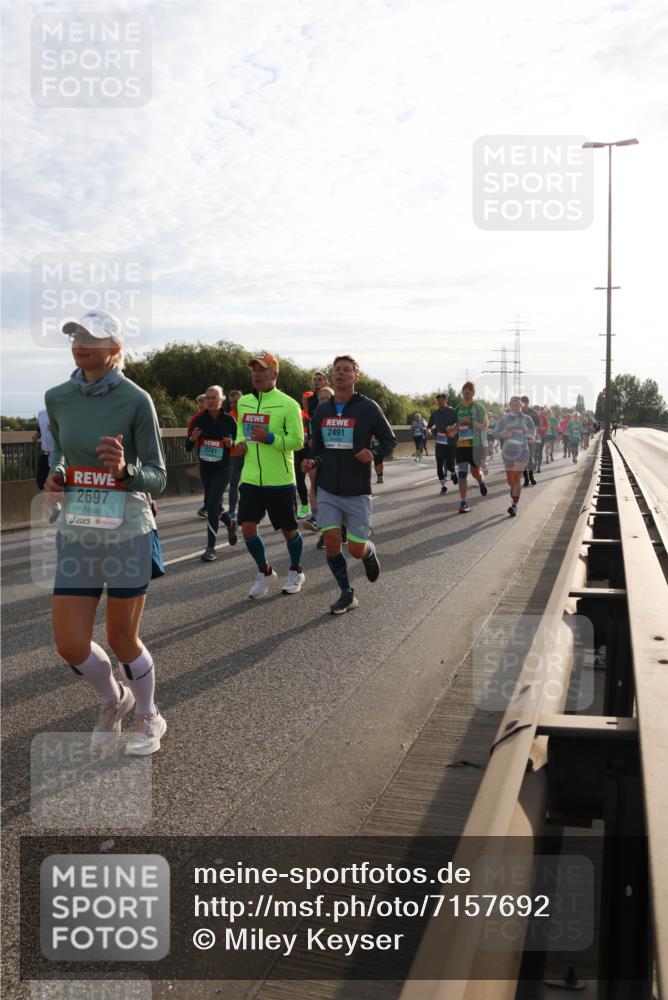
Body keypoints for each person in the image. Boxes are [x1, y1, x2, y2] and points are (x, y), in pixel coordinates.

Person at [44, 309, 167, 755]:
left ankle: (149, 715)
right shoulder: (57, 397)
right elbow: (60, 451)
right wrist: (58, 473)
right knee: (69, 643)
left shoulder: (136, 400)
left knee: (120, 638)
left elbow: (158, 475)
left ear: (115, 350)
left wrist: (125, 470)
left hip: (127, 530)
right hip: (79, 528)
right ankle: (114, 698)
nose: (80, 344)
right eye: (75, 336)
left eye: (92, 339)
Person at [303, 354, 396, 614]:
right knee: (332, 541)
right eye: (337, 369)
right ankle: (346, 592)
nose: (341, 373)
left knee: (355, 549)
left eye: (346, 370)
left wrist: (373, 453)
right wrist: (310, 461)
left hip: (357, 490)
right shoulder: (322, 411)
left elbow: (389, 440)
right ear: (332, 375)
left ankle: (368, 551)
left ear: (356, 376)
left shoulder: (368, 407)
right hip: (328, 488)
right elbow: (317, 449)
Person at [235, 352, 306, 598]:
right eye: (254, 369)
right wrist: (239, 443)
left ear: (274, 373)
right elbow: (240, 432)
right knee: (247, 529)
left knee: (289, 530)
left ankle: (296, 570)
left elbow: (298, 441)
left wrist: (270, 438)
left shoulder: (289, 404)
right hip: (251, 478)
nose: (256, 374)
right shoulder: (243, 402)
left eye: (262, 369)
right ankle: (265, 571)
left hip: (280, 479)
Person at [185, 385, 237, 561]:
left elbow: (239, 443)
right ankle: (230, 524)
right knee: (212, 504)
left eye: (214, 398)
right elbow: (187, 446)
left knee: (213, 503)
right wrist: (193, 438)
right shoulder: (198, 420)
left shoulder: (229, 420)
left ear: (221, 400)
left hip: (224, 467)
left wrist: (232, 443)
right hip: (206, 467)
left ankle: (211, 547)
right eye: (207, 398)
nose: (210, 401)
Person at [446, 381, 488, 513]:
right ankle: (463, 502)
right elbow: (458, 425)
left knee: (475, 473)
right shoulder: (458, 408)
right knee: (462, 474)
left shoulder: (479, 407)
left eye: (470, 389)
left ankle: (481, 482)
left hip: (475, 446)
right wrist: (451, 430)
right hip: (462, 445)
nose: (467, 391)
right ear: (462, 392)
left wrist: (471, 422)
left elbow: (484, 427)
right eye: (465, 389)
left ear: (473, 392)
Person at [497, 396, 536, 517]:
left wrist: (532, 437)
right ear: (510, 405)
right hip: (508, 451)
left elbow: (532, 430)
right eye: (513, 404)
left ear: (521, 406)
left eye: (518, 404)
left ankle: (514, 505)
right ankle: (513, 487)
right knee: (511, 480)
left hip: (522, 451)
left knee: (517, 476)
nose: (515, 406)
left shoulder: (527, 419)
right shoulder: (504, 419)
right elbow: (497, 433)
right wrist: (504, 434)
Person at [33, 406, 61, 523]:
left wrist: (55, 430)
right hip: (45, 454)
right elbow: (40, 429)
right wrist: (36, 435)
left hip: (58, 454)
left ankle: (64, 511)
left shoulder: (60, 411)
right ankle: (56, 508)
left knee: (58, 482)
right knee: (41, 482)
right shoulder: (41, 413)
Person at [427, 394, 457, 495]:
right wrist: (428, 430)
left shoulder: (453, 411)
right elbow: (428, 426)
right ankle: (443, 486)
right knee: (439, 464)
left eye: (442, 400)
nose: (440, 402)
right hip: (440, 442)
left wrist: (453, 432)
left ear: (446, 401)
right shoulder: (435, 413)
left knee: (449, 464)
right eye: (438, 400)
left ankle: (453, 472)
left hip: (451, 441)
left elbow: (459, 423)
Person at [225, 389, 245, 525]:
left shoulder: (248, 415)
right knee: (233, 484)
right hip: (234, 456)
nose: (233, 405)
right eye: (231, 402)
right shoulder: (229, 417)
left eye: (236, 402)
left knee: (247, 485)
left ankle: (245, 509)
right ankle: (232, 510)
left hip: (249, 455)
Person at [187, 394, 208, 517]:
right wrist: (193, 438)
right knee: (207, 481)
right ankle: (209, 506)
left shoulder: (220, 417)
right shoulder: (195, 419)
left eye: (203, 408)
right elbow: (188, 441)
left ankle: (210, 506)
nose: (200, 410)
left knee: (216, 482)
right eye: (199, 408)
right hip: (203, 454)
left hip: (220, 456)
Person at [295, 391, 314, 519]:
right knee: (299, 478)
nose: (305, 402)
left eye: (307, 400)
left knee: (314, 479)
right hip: (299, 448)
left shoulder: (317, 412)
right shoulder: (299, 413)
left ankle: (317, 506)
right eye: (303, 400)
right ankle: (305, 505)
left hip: (312, 449)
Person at [520, 396, 540, 486]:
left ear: (527, 403)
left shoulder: (534, 414)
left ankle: (531, 477)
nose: (521, 405)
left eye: (523, 403)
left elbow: (536, 426)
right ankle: (526, 479)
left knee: (530, 459)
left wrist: (533, 436)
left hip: (531, 438)